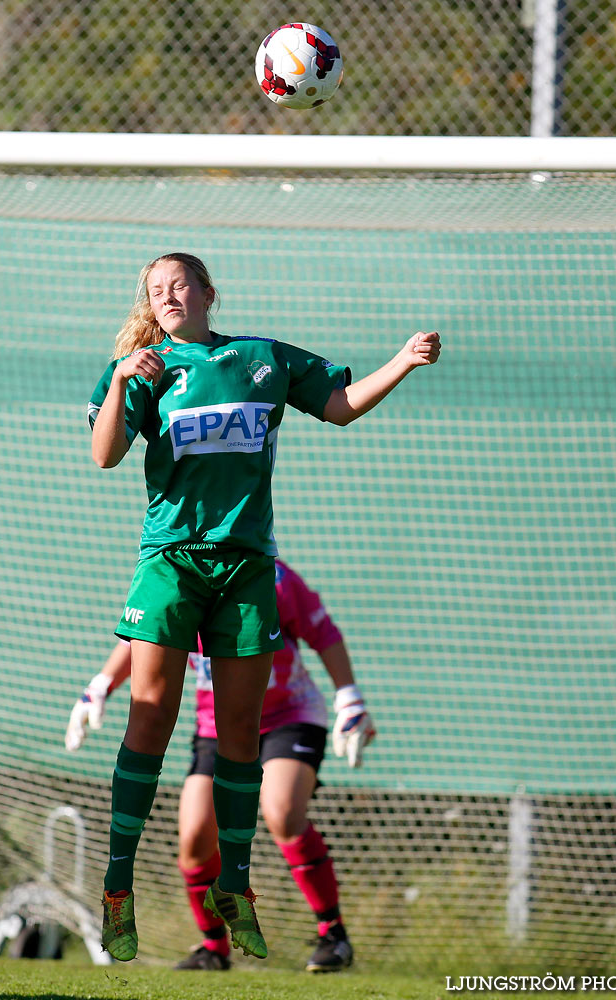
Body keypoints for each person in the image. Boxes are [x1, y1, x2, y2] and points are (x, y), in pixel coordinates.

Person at [87, 251, 440, 963]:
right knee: (151, 716)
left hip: (248, 567)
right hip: (171, 561)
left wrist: (399, 362)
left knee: (240, 732)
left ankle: (237, 889)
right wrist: (124, 377)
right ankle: (118, 885)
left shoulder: (261, 358)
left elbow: (338, 408)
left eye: (178, 284)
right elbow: (104, 455)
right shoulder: (144, 369)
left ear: (208, 292)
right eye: (155, 290)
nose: (166, 296)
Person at [67, 558, 375, 972]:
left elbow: (323, 632)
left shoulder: (271, 577)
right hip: (215, 729)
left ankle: (333, 935)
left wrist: (349, 698)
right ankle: (213, 947)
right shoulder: (173, 576)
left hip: (289, 718)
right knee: (194, 843)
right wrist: (100, 685)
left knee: (281, 811)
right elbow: (142, 637)